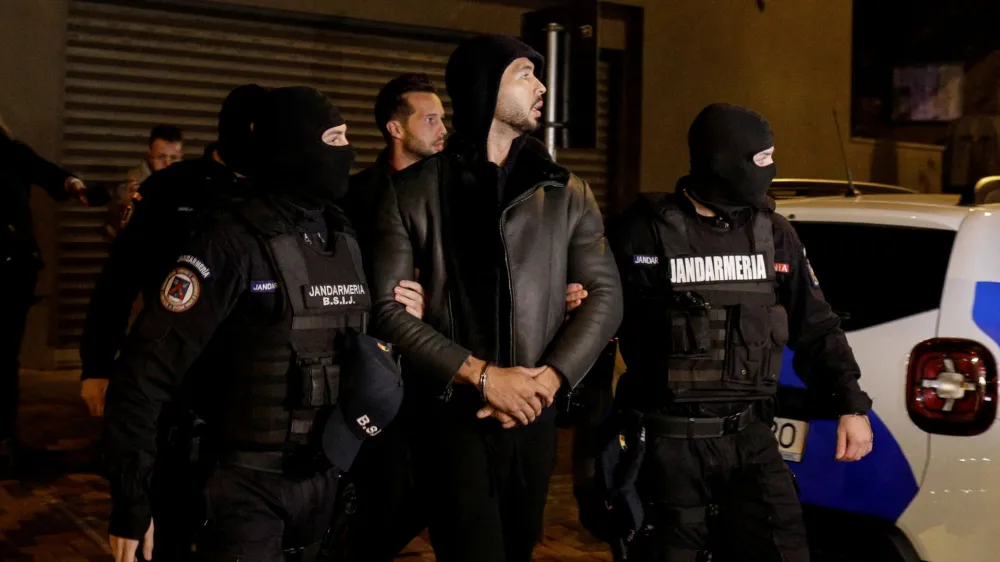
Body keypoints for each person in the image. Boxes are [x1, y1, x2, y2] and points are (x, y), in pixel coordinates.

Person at [101, 86, 403, 562]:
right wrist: (132, 498)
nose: (349, 151)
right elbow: (144, 373)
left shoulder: (342, 236)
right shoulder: (230, 241)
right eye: (336, 137)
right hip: (245, 489)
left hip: (326, 483)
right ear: (300, 147)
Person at [369, 34, 623, 562]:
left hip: (535, 415)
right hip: (451, 418)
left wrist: (547, 381)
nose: (542, 86)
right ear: (485, 90)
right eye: (524, 75)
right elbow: (389, 310)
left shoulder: (565, 190)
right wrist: (483, 376)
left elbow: (605, 294)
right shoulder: (412, 192)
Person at [602, 103, 875, 561]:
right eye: (763, 159)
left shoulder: (775, 234)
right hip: (670, 449)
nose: (773, 169)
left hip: (751, 440)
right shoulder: (641, 233)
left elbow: (816, 326)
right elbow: (597, 326)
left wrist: (851, 404)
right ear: (725, 162)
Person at [0, 112, 90, 472]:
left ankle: (3, 437)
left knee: (4, 354)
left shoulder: (10, 151)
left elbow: (49, 173)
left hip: (11, 268)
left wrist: (74, 185)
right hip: (13, 266)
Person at [106, 124, 185, 239]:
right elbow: (111, 233)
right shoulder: (130, 186)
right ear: (149, 155)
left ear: (181, 157)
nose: (168, 164)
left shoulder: (190, 185)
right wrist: (125, 208)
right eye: (161, 157)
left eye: (174, 158)